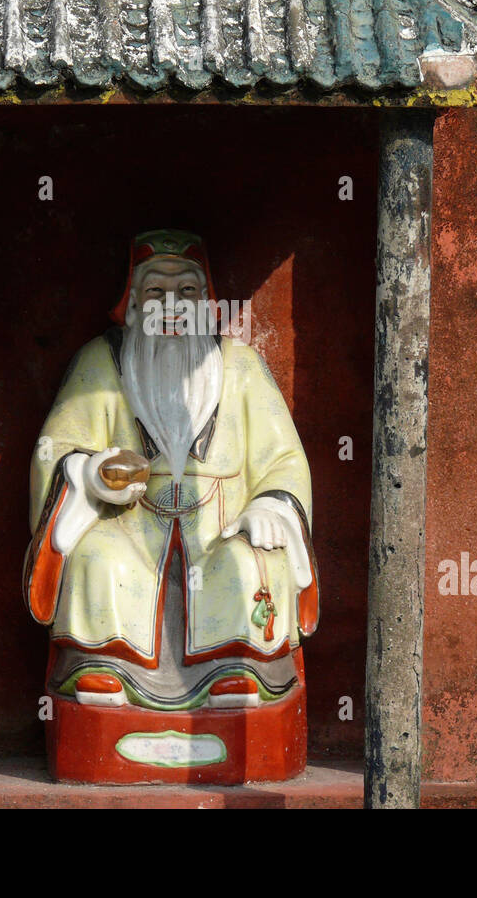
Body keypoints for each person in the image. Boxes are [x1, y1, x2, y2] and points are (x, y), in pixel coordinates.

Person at [23, 229, 319, 711]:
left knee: (250, 563)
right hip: (130, 528)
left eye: (187, 292)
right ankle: (104, 670)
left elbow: (285, 461)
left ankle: (236, 672)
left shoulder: (242, 368)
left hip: (222, 531)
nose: (173, 305)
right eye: (157, 292)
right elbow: (54, 450)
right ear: (135, 302)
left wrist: (268, 505)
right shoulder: (100, 363)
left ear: (206, 302)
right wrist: (93, 473)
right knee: (98, 559)